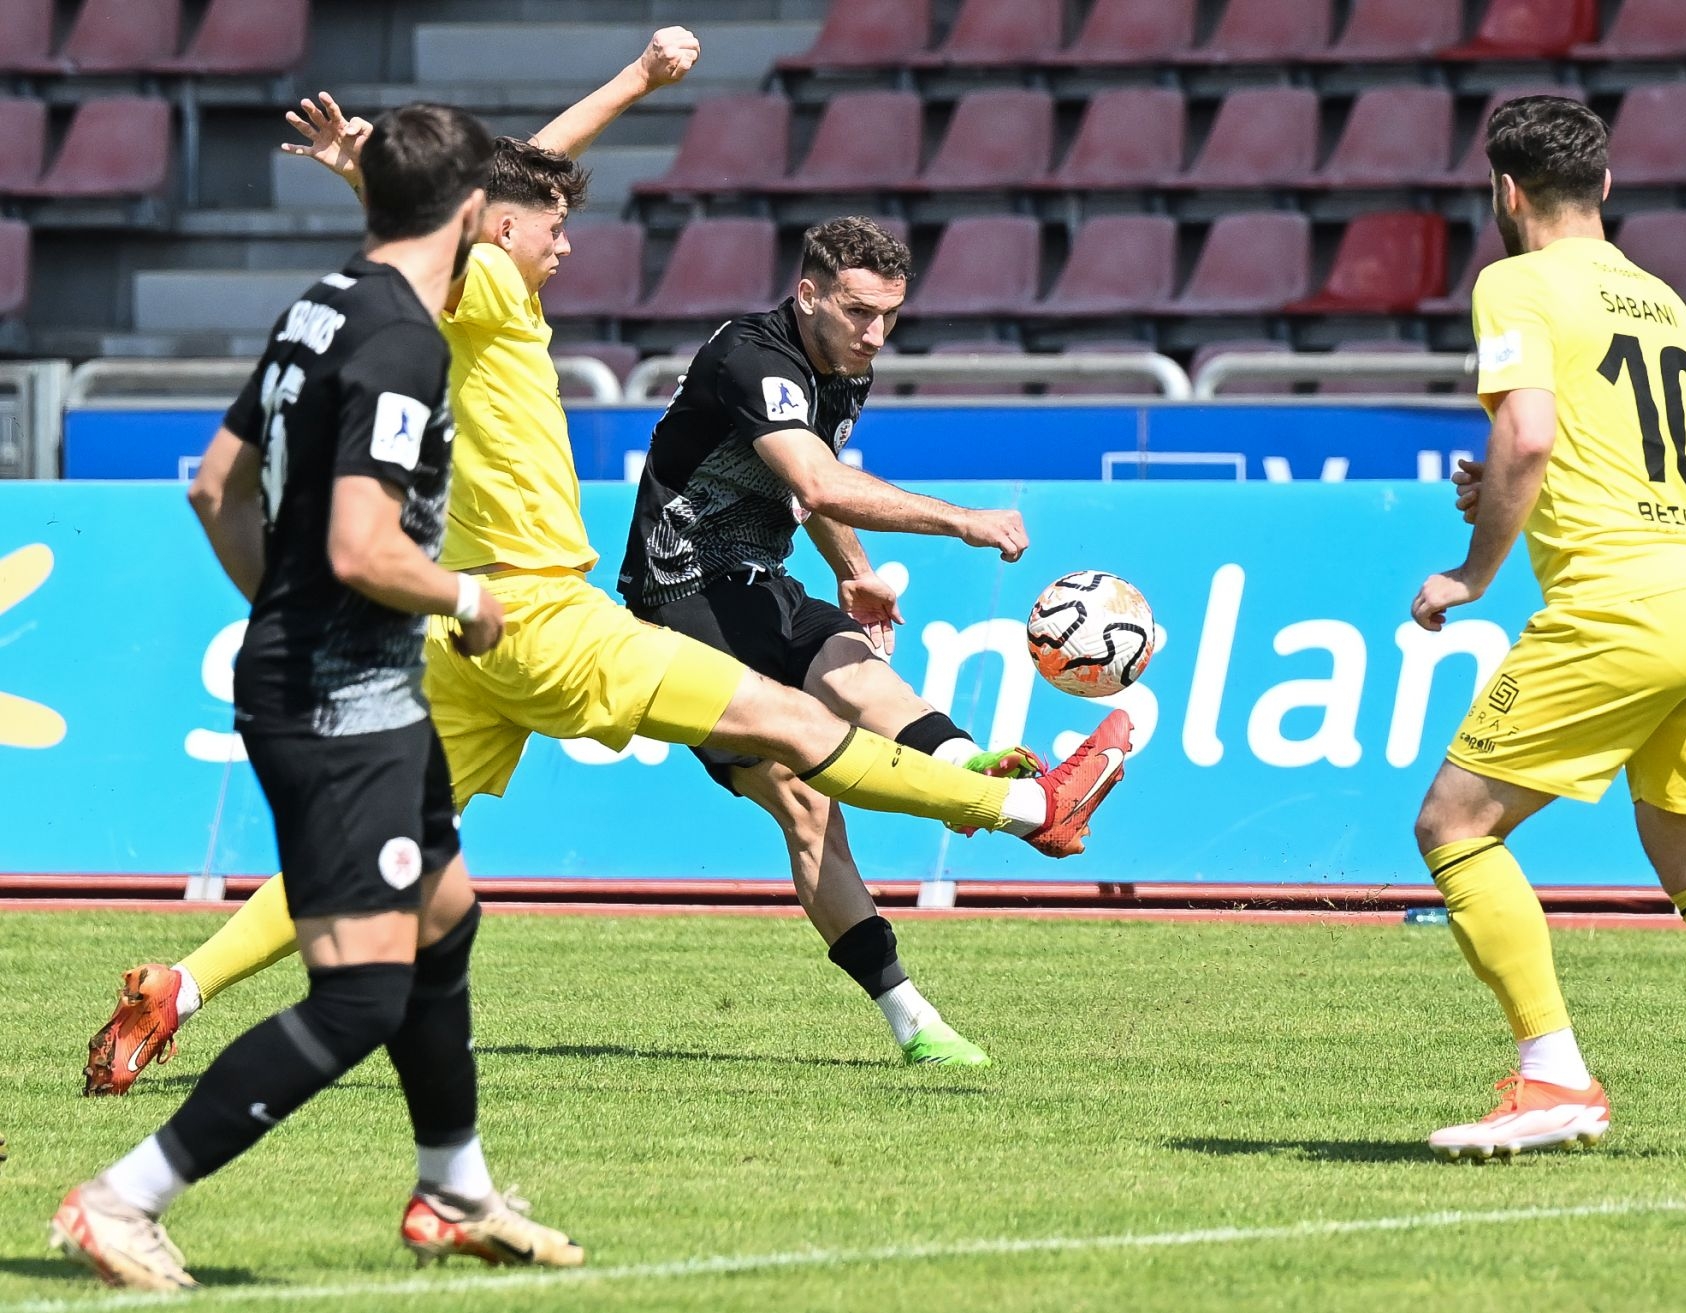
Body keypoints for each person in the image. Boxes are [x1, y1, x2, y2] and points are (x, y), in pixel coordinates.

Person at [84, 31, 1131, 1098]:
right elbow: (499, 200)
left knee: (376, 850)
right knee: (796, 730)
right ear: (495, 231)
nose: (569, 246)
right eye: (556, 228)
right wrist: (395, 168)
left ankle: (180, 987)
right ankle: (1026, 809)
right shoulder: (488, 294)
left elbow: (510, 187)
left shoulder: (434, 302)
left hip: (461, 635)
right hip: (545, 616)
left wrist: (628, 85)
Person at [53, 104, 584, 1291]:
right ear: (472, 215)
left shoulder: (320, 305)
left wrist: (282, 606)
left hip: (355, 679)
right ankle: (121, 1196)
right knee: (361, 995)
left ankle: (454, 1189)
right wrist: (466, 594)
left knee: (445, 912)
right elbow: (360, 545)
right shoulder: (402, 340)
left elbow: (215, 488)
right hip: (343, 701)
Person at [1409, 95, 1686, 1163]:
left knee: (1454, 825)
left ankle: (1555, 1076)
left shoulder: (1512, 281)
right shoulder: (1660, 299)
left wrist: (1473, 571)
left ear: (1505, 190)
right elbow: (1631, 453)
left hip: (1620, 601)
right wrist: (1509, 485)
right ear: (1604, 185)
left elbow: (1531, 433)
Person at [622, 216, 1130, 1066]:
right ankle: (915, 1017)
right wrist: (962, 520)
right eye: (859, 311)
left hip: (761, 582)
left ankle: (982, 771)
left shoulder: (845, 367)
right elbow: (819, 480)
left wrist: (853, 572)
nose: (875, 333)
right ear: (808, 294)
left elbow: (805, 491)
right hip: (679, 597)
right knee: (805, 803)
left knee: (859, 671)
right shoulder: (752, 358)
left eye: (890, 314)